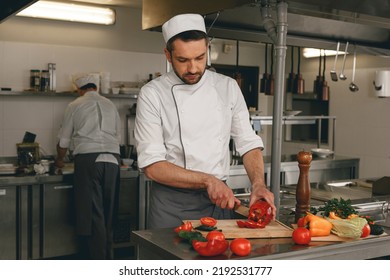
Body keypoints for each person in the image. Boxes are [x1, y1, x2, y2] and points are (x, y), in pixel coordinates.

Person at [134, 13, 276, 229]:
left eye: (200, 58)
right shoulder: (153, 93)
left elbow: (248, 142)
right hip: (172, 205)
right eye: (183, 60)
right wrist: (209, 181)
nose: (192, 68)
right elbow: (153, 166)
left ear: (207, 50)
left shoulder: (227, 87)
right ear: (168, 55)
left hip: (220, 202)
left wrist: (258, 184)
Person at [55, 74, 121, 259]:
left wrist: (59, 160)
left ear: (79, 89)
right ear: (96, 88)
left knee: (94, 214)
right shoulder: (110, 104)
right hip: (114, 160)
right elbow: (118, 138)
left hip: (89, 160)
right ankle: (110, 257)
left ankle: (98, 263)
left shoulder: (75, 105)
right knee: (109, 212)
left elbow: (64, 140)